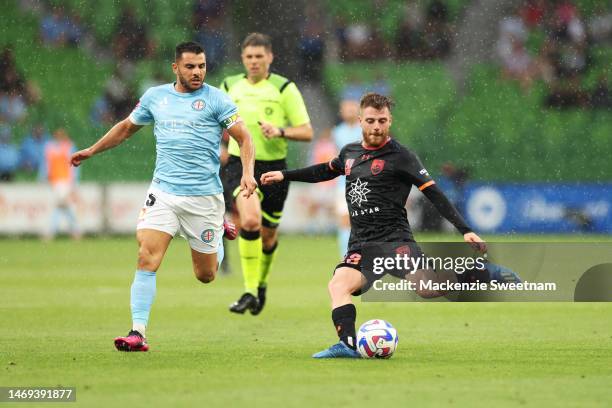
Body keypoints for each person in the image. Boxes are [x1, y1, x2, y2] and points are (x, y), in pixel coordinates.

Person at [260, 93, 487, 358]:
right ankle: (348, 345)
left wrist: (465, 229)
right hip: (361, 244)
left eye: (382, 120)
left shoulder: (403, 157)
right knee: (338, 286)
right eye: (370, 120)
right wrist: (285, 176)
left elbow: (434, 194)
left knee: (427, 288)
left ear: (390, 121)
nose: (376, 126)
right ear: (360, 121)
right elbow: (323, 171)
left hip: (395, 240)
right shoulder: (350, 153)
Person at [70, 41, 257, 352]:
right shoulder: (156, 97)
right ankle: (137, 332)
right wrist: (92, 150)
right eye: (190, 67)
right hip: (164, 193)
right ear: (176, 68)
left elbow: (244, 137)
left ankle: (219, 233)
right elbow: (126, 128)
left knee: (206, 275)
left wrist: (248, 172)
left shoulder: (217, 100)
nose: (197, 72)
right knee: (146, 256)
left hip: (204, 199)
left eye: (201, 66)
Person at [220, 33, 313, 315]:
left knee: (268, 237)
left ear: (270, 57)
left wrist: (280, 130)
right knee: (249, 220)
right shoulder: (228, 86)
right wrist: (220, 145)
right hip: (239, 166)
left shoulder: (284, 88)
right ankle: (248, 290)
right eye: (249, 57)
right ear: (242, 59)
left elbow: (306, 131)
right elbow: (212, 122)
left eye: (259, 56)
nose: (254, 62)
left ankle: (260, 285)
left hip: (274, 169)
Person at [332, 99, 362, 257]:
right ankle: (346, 257)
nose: (349, 111)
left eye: (352, 108)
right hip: (343, 183)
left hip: (364, 183)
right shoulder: (336, 132)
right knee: (344, 221)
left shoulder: (365, 130)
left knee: (363, 221)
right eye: (346, 108)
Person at [40, 128, 80, 239]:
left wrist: (74, 181)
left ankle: (52, 231)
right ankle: (75, 231)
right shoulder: (50, 147)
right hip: (54, 181)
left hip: (65, 181)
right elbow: (46, 164)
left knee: (59, 205)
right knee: (64, 206)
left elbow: (75, 165)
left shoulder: (69, 146)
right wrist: (44, 177)